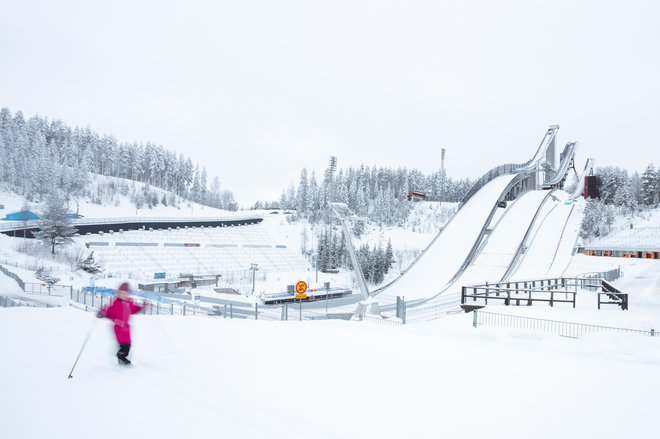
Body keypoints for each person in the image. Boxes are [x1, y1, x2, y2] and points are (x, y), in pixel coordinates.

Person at [97, 282, 145, 365]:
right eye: (120, 293)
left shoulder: (130, 303)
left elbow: (134, 309)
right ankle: (121, 358)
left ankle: (120, 354)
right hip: (118, 327)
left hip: (126, 327)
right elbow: (108, 312)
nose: (122, 295)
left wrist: (142, 307)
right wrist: (102, 313)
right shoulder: (115, 304)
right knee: (124, 344)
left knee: (128, 344)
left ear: (128, 294)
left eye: (124, 293)